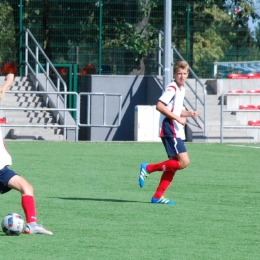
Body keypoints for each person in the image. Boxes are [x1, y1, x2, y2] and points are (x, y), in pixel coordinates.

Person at [139, 60, 198, 205]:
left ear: (188, 74)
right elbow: (160, 106)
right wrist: (178, 118)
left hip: (174, 129)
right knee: (184, 162)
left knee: (173, 165)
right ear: (174, 74)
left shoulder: (181, 89)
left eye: (184, 74)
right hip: (170, 129)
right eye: (179, 74)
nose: (182, 76)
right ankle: (148, 168)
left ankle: (157, 197)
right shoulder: (172, 88)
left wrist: (189, 113)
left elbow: (176, 110)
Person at [0, 74, 53, 234]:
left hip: (2, 168)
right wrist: (8, 82)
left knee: (26, 187)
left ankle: (32, 225)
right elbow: (1, 93)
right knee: (26, 187)